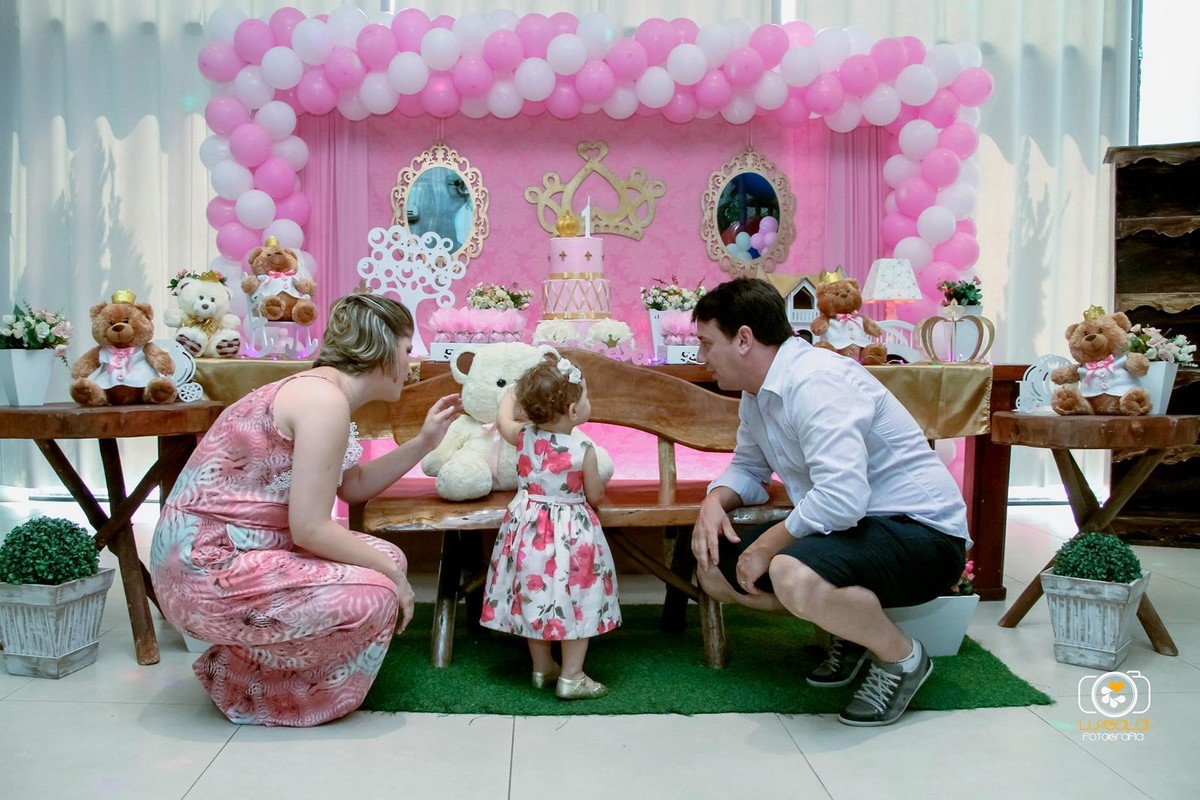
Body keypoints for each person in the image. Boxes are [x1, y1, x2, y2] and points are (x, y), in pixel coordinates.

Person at [150, 294, 462, 727]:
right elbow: (311, 528)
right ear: (382, 346)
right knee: (377, 592)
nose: (413, 362)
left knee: (390, 559)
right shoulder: (323, 401)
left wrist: (424, 443)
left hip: (242, 555)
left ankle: (249, 672)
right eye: (409, 348)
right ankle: (269, 694)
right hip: (206, 567)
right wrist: (397, 583)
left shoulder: (324, 394)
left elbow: (351, 487)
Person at [690, 278, 969, 727]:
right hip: (853, 527)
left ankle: (902, 658)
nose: (702, 359)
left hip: (921, 533)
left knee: (788, 570)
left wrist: (767, 546)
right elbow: (749, 469)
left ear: (744, 338)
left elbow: (842, 497)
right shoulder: (756, 393)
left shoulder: (817, 381)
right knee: (713, 567)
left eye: (706, 344)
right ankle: (851, 628)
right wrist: (714, 503)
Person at [479, 353, 620, 700]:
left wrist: (512, 393)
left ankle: (542, 668)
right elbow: (596, 495)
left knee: (536, 595)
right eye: (585, 397)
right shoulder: (583, 448)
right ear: (573, 411)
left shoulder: (524, 436)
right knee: (577, 599)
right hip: (572, 535)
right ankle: (572, 676)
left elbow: (502, 421)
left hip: (527, 531)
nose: (589, 402)